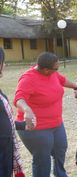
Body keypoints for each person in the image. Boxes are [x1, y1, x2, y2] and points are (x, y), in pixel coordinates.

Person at [14, 52, 77, 177]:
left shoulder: (52, 73)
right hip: (36, 127)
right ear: (45, 69)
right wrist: (27, 109)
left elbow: (62, 80)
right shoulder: (28, 79)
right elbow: (19, 98)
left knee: (60, 150)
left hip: (56, 123)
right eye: (56, 68)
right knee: (43, 160)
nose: (57, 70)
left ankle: (60, 174)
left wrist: (76, 86)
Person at [0, 48, 25, 177]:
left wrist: (23, 125)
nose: (4, 65)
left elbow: (4, 122)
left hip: (6, 150)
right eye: (3, 62)